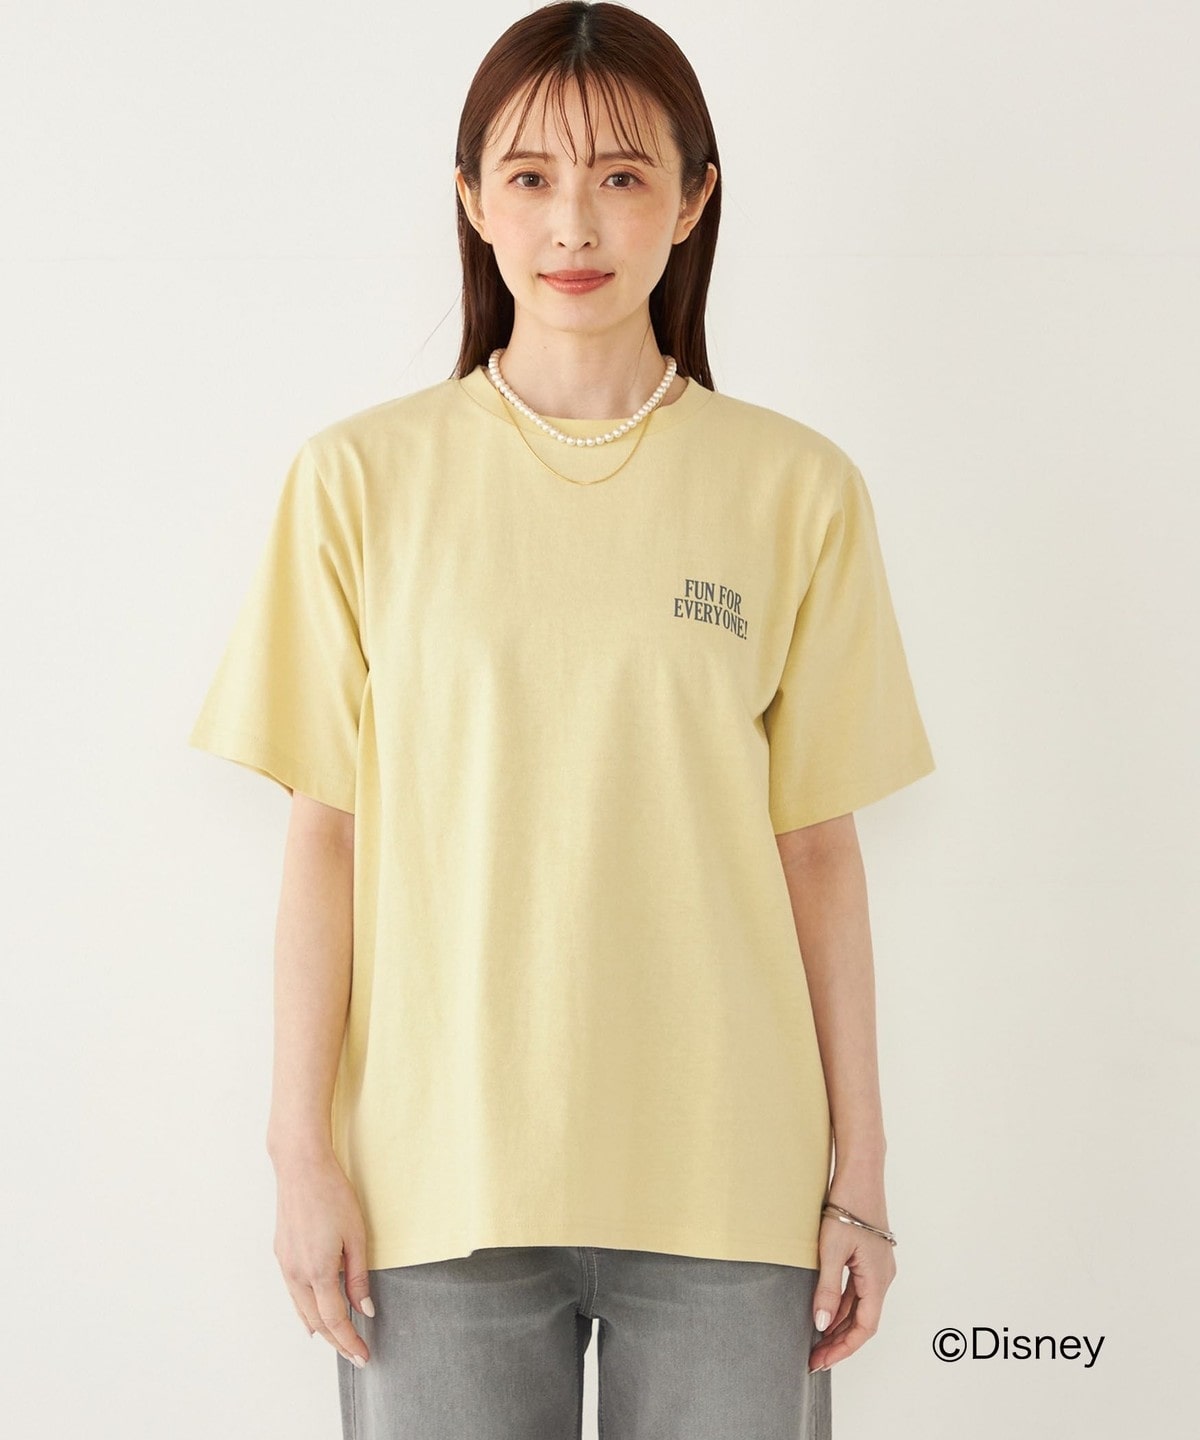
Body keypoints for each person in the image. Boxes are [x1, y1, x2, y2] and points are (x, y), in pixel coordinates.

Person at [187, 3, 935, 1435]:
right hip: (434, 1181)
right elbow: (325, 839)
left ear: (693, 200)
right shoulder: (358, 483)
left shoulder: (798, 489)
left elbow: (819, 851)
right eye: (529, 176)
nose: (573, 222)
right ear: (472, 199)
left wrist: (863, 1177)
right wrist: (299, 1154)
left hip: (732, 1179)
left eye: (622, 175)